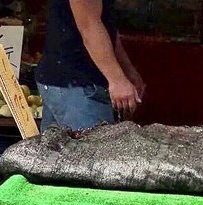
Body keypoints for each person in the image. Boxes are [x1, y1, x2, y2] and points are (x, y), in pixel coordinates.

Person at [35, 0, 145, 131]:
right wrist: (117, 79)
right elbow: (89, 26)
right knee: (96, 144)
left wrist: (126, 69)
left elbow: (104, 25)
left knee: (57, 144)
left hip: (67, 82)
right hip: (77, 85)